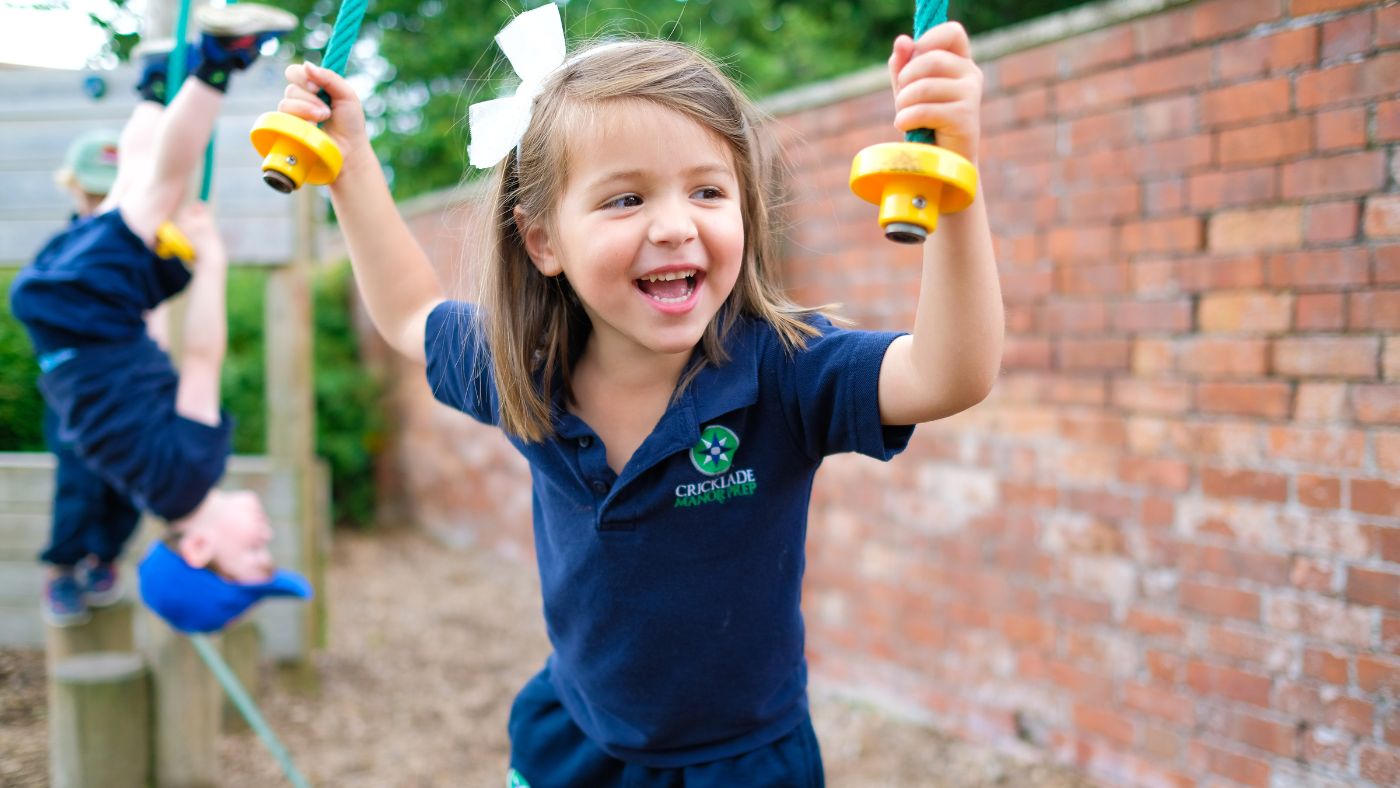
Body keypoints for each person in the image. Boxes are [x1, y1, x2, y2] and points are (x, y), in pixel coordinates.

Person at [278, 3, 1001, 784]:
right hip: (574, 748)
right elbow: (409, 313)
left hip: (741, 767)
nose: (674, 227)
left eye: (707, 192)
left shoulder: (786, 371)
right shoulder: (526, 370)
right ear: (544, 241)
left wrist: (954, 182)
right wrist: (348, 161)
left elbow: (946, 374)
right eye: (626, 199)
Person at [10, 2, 311, 634]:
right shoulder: (153, 487)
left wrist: (212, 262)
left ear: (200, 548)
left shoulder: (191, 472)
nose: (265, 538)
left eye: (254, 553)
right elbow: (134, 377)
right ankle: (154, 83)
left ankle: (220, 61)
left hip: (85, 312)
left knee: (162, 191)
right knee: (135, 187)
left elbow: (201, 355)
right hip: (66, 319)